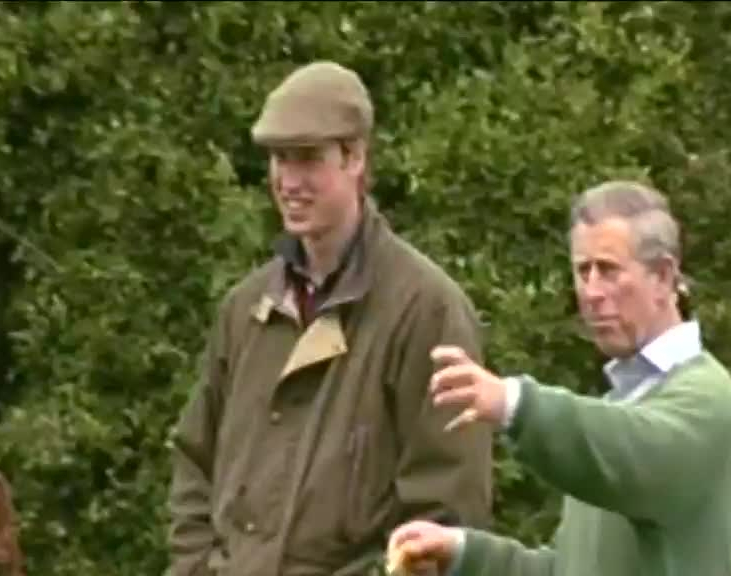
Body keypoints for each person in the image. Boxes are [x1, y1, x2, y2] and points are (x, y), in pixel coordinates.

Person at [166, 61, 494, 576]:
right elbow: (194, 464)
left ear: (355, 158)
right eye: (279, 159)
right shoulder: (245, 309)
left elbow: (445, 516)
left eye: (308, 158)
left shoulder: (426, 311)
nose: (289, 181)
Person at [387, 181, 731, 576]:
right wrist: (463, 553)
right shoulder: (618, 408)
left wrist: (516, 403)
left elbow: (632, 454)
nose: (591, 292)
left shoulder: (706, 401)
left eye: (608, 270)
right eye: (582, 270)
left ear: (663, 277)